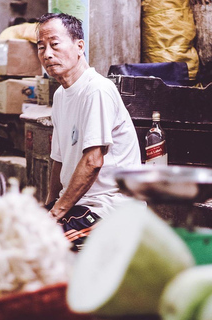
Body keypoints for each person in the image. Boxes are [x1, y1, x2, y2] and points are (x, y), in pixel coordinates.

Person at [37, 13, 142, 250]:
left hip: (109, 210)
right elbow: (59, 160)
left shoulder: (97, 90)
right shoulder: (61, 95)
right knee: (13, 235)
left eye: (54, 44)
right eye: (41, 47)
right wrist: (49, 206)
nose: (47, 54)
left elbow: (93, 161)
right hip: (78, 206)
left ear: (79, 46)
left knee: (36, 248)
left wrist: (54, 216)